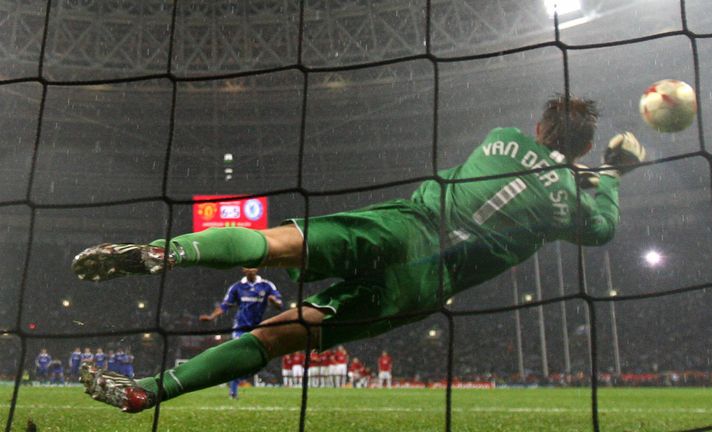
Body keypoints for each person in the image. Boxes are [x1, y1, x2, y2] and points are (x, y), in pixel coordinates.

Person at [73, 95, 645, 413]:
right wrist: (614, 174)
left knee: (274, 244)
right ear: (586, 147)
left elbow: (533, 168)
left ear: (540, 125)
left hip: (408, 227)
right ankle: (151, 390)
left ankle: (161, 251)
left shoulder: (501, 135)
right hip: (424, 284)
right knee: (279, 336)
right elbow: (601, 230)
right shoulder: (569, 199)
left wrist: (579, 171)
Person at [199, 267, 283, 399]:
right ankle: (233, 391)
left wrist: (274, 302)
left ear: (257, 269)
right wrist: (211, 317)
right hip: (240, 328)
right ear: (243, 270)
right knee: (238, 358)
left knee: (258, 361)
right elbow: (224, 306)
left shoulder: (266, 285)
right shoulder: (237, 287)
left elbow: (279, 304)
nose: (251, 270)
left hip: (258, 328)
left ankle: (234, 378)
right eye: (248, 267)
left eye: (253, 267)